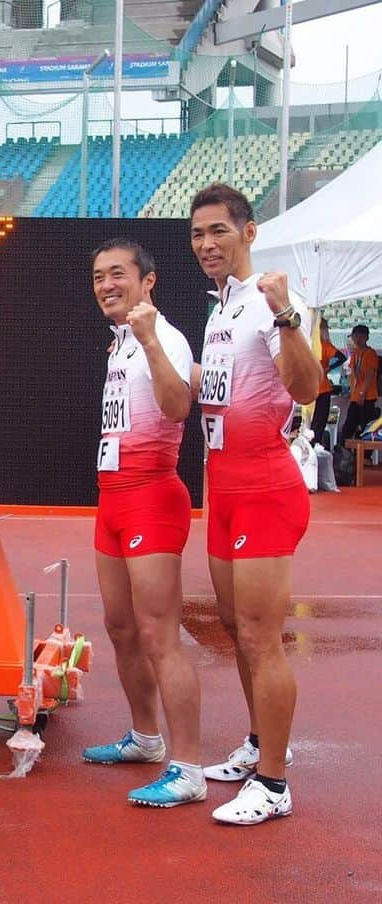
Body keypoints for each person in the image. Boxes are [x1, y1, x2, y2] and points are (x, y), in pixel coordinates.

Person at [190, 183, 321, 825]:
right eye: (197, 234)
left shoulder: (271, 301)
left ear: (248, 232)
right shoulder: (219, 310)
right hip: (227, 491)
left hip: (267, 487)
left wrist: (288, 314)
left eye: (218, 230)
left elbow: (306, 386)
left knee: (261, 638)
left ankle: (274, 782)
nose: (207, 244)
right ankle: (258, 744)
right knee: (236, 633)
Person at [81, 239, 204, 808]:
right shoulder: (119, 343)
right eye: (100, 276)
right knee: (121, 628)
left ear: (147, 281)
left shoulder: (165, 338)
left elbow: (178, 406)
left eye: (118, 274)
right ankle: (145, 738)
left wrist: (152, 339)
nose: (107, 284)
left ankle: (189, 768)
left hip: (152, 497)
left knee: (160, 634)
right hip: (112, 501)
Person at [308, 318, 345, 451]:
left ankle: (311, 445)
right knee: (319, 420)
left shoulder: (308, 344)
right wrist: (328, 368)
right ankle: (314, 444)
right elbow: (342, 357)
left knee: (311, 420)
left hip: (309, 388)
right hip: (322, 388)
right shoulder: (323, 345)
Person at [339, 324, 378, 445]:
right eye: (354, 336)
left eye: (357, 336)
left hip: (367, 396)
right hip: (355, 396)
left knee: (366, 427)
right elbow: (353, 375)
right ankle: (344, 451)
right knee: (349, 426)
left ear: (365, 337)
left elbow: (369, 375)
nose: (355, 339)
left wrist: (362, 393)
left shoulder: (370, 354)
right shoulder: (355, 353)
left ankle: (366, 456)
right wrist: (352, 391)